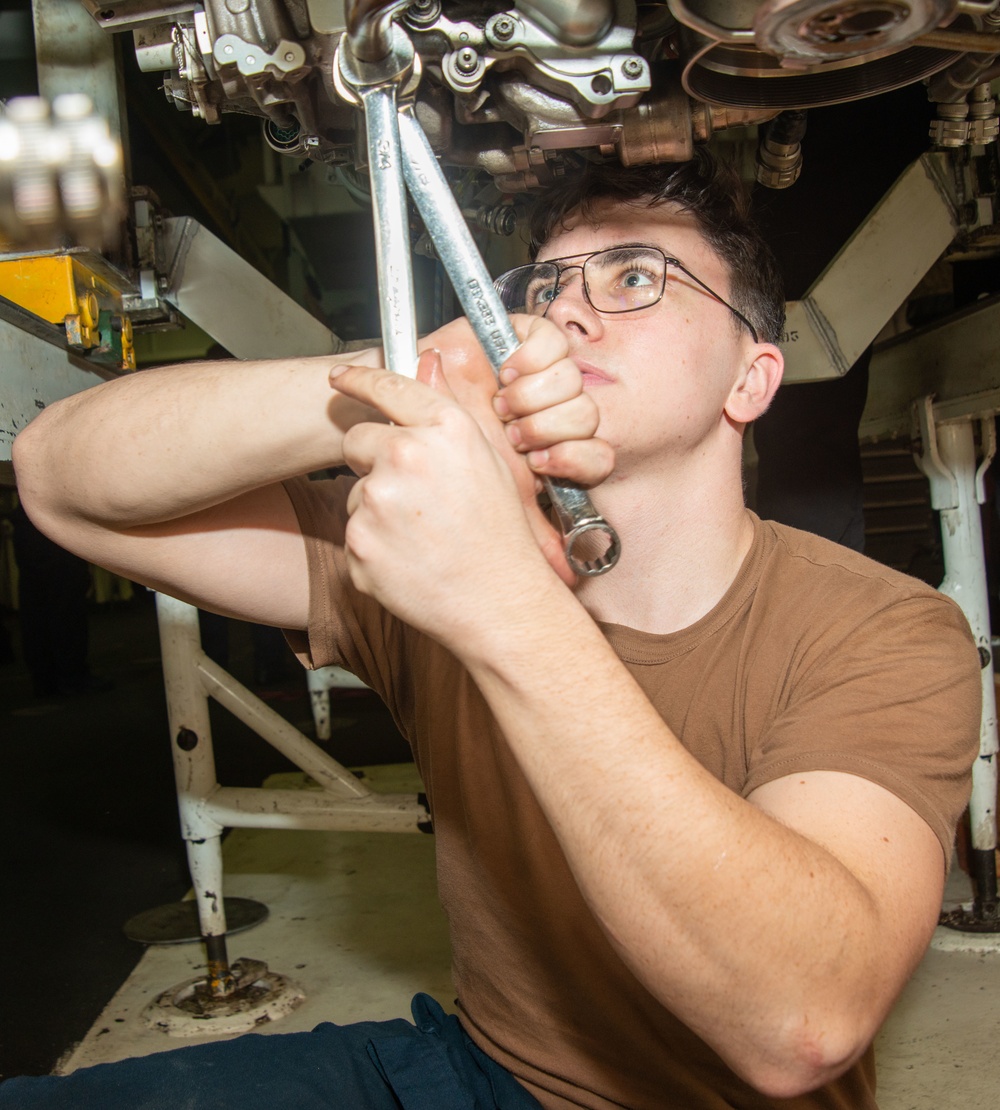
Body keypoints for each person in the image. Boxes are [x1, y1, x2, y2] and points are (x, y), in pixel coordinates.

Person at [5, 155, 980, 1109]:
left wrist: (503, 605)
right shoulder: (424, 557)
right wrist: (409, 373)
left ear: (749, 378)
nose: (563, 312)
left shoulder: (879, 630)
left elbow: (801, 1019)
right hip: (477, 1073)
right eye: (539, 287)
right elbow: (60, 479)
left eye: (635, 278)